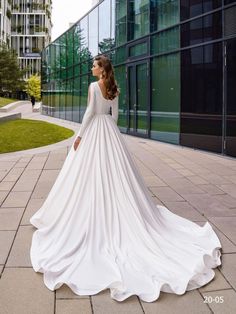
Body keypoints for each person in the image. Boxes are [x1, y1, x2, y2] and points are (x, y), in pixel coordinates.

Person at [30, 55, 222, 303]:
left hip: (95, 131)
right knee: (118, 175)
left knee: (86, 174)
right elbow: (116, 114)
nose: (91, 67)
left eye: (94, 65)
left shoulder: (92, 87)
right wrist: (110, 132)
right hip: (110, 131)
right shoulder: (113, 88)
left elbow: (89, 113)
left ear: (101, 69)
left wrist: (79, 136)